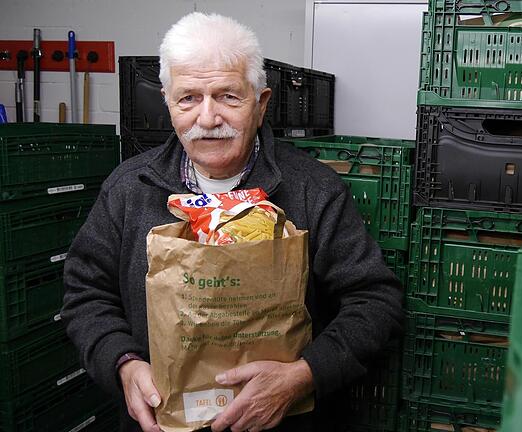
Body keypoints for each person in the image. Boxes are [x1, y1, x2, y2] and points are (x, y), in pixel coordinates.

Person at [61, 12, 403, 432]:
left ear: (260, 104)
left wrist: (303, 376)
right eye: (188, 98)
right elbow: (84, 293)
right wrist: (123, 364)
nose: (207, 118)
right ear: (168, 103)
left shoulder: (314, 191)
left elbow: (375, 301)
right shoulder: (129, 189)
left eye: (228, 96)